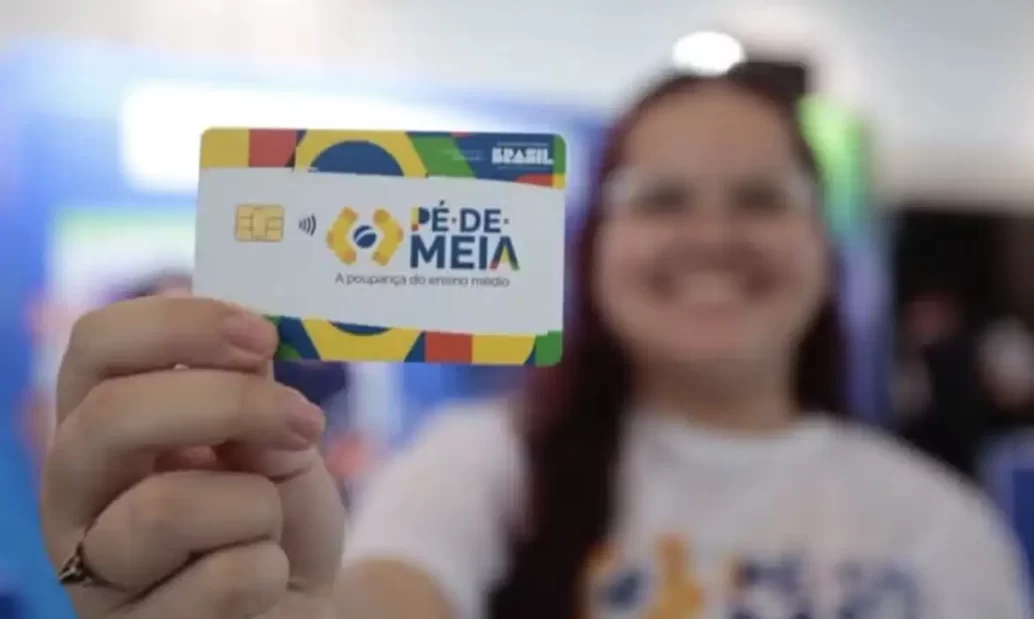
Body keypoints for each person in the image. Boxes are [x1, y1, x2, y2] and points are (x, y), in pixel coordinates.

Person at [39, 65, 1030, 619]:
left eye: (761, 198)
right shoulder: (483, 466)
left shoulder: (938, 522)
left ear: (823, 247)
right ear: (593, 249)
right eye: (662, 198)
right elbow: (387, 595)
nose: (711, 234)